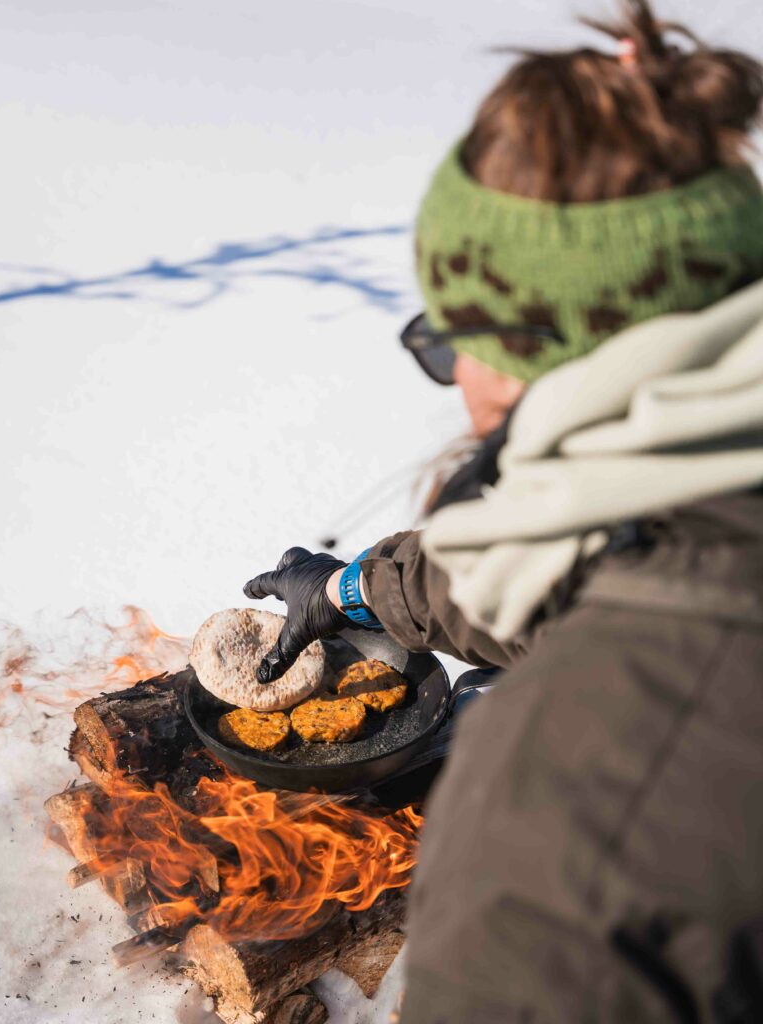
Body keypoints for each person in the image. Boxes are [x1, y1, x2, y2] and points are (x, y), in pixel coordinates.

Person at [245, 3, 763, 1020]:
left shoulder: (575, 808)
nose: (454, 377)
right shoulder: (706, 498)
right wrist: (354, 587)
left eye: (454, 337)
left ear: (542, 354)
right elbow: (604, 573)